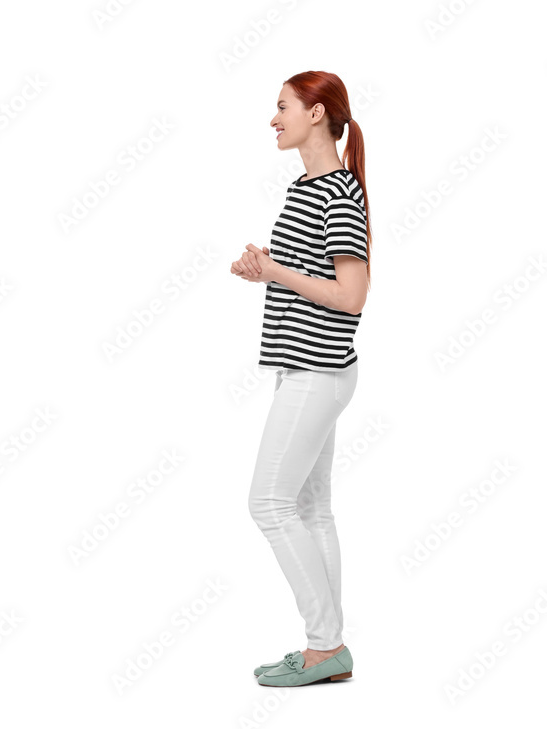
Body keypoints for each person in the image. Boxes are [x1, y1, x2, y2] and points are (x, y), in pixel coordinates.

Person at [230, 71, 372, 687]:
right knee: (312, 510)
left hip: (319, 371)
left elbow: (352, 295)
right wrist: (265, 269)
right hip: (307, 368)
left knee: (268, 502)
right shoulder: (305, 189)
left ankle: (325, 647)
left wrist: (279, 275)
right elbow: (306, 274)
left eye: (283, 106)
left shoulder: (337, 192)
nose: (273, 118)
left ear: (317, 114)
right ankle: (328, 650)